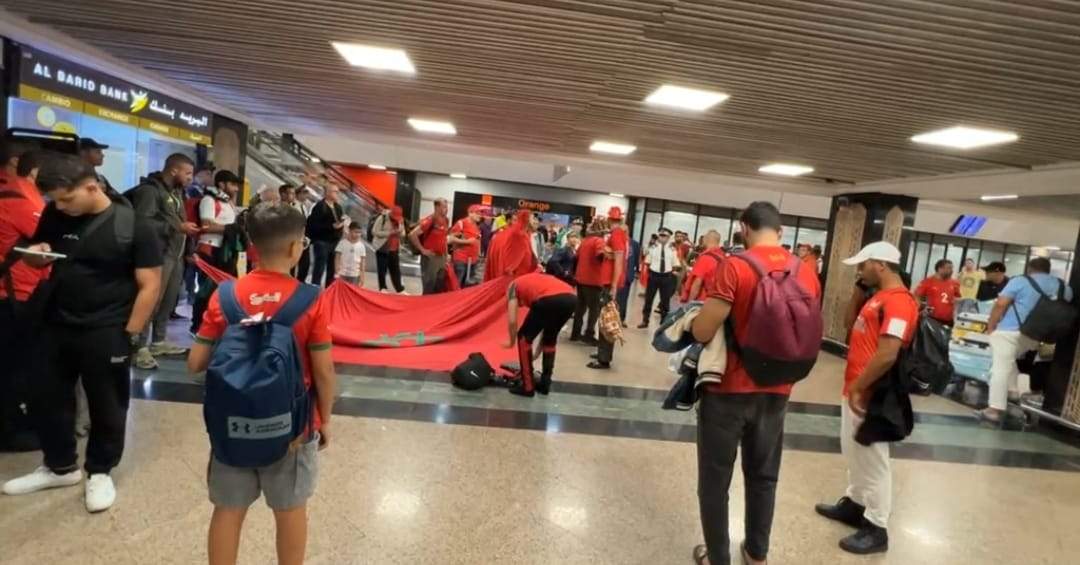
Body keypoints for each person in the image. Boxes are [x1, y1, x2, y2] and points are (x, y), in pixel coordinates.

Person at [2, 153, 163, 512]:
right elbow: (37, 257)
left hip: (106, 326)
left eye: (67, 198)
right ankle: (59, 466)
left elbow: (150, 284)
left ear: (92, 187)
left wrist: (131, 333)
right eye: (55, 199)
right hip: (54, 321)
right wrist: (35, 255)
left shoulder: (134, 225)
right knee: (48, 397)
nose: (61, 206)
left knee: (107, 403)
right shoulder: (54, 215)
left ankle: (100, 470)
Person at [187, 203, 335, 565]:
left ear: (252, 245)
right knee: (290, 510)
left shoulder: (224, 296)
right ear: (295, 247)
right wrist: (325, 420)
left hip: (232, 426)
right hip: (293, 428)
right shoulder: (311, 299)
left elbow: (195, 364)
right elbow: (324, 371)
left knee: (228, 510)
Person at [688, 201, 822, 565]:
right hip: (778, 390)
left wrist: (692, 320)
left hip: (727, 392)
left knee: (715, 481)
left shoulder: (735, 266)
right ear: (781, 232)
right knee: (764, 477)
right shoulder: (806, 271)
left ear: (743, 228)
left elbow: (703, 331)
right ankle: (756, 554)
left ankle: (718, 558)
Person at [814, 241, 917, 556]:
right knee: (854, 450)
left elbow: (887, 355)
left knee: (873, 459)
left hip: (872, 393)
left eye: (863, 265)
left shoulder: (900, 302)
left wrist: (860, 387)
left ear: (880, 264)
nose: (859, 270)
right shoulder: (877, 297)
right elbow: (849, 324)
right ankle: (855, 505)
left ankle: (877, 526)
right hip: (856, 387)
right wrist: (859, 289)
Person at [978, 257, 1073, 426]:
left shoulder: (1021, 281)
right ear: (1048, 269)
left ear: (1030, 269)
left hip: (1011, 331)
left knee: (999, 368)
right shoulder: (1064, 287)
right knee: (1008, 360)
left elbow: (1001, 304)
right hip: (1037, 336)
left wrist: (991, 327)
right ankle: (1013, 393)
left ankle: (994, 410)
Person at [128, 152, 199, 370]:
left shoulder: (176, 192)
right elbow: (143, 223)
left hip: (176, 254)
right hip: (157, 254)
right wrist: (176, 228)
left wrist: (189, 249)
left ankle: (158, 341)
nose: (190, 178)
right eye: (187, 173)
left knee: (168, 300)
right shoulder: (150, 191)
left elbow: (181, 220)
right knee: (151, 300)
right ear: (174, 170)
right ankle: (139, 347)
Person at [0, 142, 49, 451]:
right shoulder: (18, 196)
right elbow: (49, 236)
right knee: (13, 365)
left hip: (11, 290)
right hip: (14, 293)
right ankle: (10, 431)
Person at [503, 272, 577, 397]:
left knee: (523, 337)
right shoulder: (535, 281)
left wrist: (511, 341)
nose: (521, 305)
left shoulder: (512, 287)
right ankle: (545, 384)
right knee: (550, 337)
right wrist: (537, 353)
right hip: (571, 298)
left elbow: (512, 321)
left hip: (549, 299)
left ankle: (527, 386)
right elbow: (545, 328)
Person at [190, 171, 242, 334]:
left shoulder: (228, 203)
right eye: (233, 185)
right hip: (209, 250)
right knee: (206, 291)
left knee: (223, 291)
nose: (236, 189)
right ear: (222, 184)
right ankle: (197, 326)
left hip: (226, 251)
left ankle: (216, 326)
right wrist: (230, 229)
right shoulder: (209, 200)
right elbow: (205, 226)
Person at [588, 207, 628, 370]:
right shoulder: (618, 234)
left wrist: (613, 286)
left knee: (607, 320)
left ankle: (603, 358)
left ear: (610, 219)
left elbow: (618, 260)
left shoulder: (617, 234)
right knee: (605, 318)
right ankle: (602, 353)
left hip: (609, 284)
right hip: (609, 282)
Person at [570, 218, 607, 345]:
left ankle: (575, 333)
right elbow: (600, 255)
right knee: (594, 310)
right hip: (594, 280)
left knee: (580, 308)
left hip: (581, 279)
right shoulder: (599, 241)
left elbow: (576, 257)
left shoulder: (585, 241)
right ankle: (589, 334)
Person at [638, 227, 682, 329]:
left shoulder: (672, 250)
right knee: (649, 299)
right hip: (654, 276)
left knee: (665, 301)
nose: (662, 238)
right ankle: (645, 320)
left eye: (664, 236)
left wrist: (673, 271)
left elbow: (676, 264)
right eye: (661, 235)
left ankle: (663, 321)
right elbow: (647, 262)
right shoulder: (653, 248)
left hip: (666, 277)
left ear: (669, 237)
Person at [306, 182, 347, 288]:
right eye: (334, 191)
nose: (337, 193)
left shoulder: (338, 207)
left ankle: (329, 289)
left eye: (337, 191)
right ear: (327, 193)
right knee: (320, 267)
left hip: (334, 241)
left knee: (332, 268)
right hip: (322, 241)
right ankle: (315, 288)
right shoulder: (320, 207)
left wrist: (341, 226)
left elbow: (339, 221)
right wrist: (331, 226)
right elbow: (314, 225)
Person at [410, 198, 451, 295]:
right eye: (444, 207)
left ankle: (435, 304)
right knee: (429, 285)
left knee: (439, 286)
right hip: (430, 258)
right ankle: (425, 304)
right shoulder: (430, 220)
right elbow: (412, 234)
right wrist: (422, 250)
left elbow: (444, 239)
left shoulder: (446, 220)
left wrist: (446, 255)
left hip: (441, 257)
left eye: (447, 207)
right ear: (437, 207)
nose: (446, 209)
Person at [371, 206, 407, 293]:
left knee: (395, 269)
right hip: (382, 247)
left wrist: (400, 232)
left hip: (394, 248)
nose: (395, 219)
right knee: (382, 269)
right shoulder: (382, 218)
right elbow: (374, 231)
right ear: (390, 214)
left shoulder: (400, 220)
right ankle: (383, 287)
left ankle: (399, 289)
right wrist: (390, 233)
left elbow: (403, 234)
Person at [914, 259, 960, 326]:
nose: (952, 271)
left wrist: (957, 301)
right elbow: (917, 297)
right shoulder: (927, 281)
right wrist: (918, 312)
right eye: (949, 268)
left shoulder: (955, 283)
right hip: (931, 318)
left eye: (952, 268)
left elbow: (958, 298)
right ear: (940, 269)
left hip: (949, 320)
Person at [683, 230, 725, 303]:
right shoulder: (723, 257)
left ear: (706, 239)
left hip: (702, 301)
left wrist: (690, 303)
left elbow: (697, 283)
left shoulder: (705, 258)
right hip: (716, 300)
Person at [449, 205, 483, 287]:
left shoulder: (476, 227)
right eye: (477, 213)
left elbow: (477, 240)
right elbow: (450, 239)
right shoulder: (461, 223)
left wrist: (478, 255)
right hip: (461, 260)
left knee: (468, 286)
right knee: (457, 284)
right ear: (470, 213)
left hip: (472, 261)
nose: (480, 215)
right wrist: (467, 242)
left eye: (480, 213)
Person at [615, 237, 641, 326]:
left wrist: (636, 271)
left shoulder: (634, 244)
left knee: (623, 298)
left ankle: (621, 319)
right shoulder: (615, 241)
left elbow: (637, 260)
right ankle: (610, 319)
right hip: (614, 274)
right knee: (611, 298)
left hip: (627, 275)